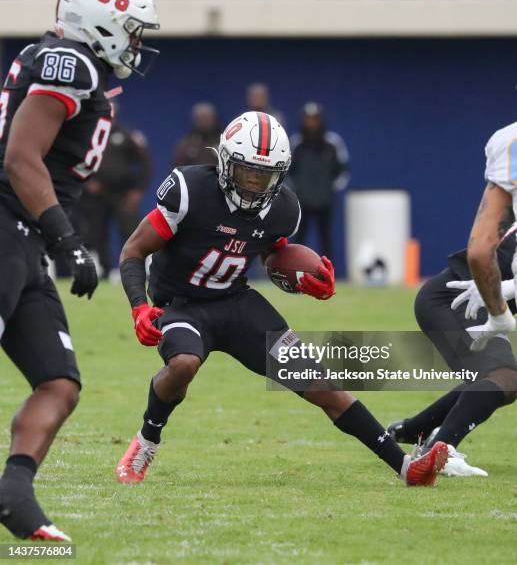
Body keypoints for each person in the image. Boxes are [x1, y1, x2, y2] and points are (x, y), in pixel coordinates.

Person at [115, 111, 448, 488]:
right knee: (184, 364)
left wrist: (303, 279)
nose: (256, 183)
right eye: (247, 172)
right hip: (182, 303)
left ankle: (406, 467)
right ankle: (146, 441)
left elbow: (271, 253)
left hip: (236, 303)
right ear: (226, 162)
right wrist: (139, 306)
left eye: (266, 174)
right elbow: (133, 250)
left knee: (322, 384)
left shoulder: (284, 208)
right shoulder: (189, 189)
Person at [0, 0, 159, 540]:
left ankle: (15, 496)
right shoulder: (71, 62)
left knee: (59, 382)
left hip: (24, 239)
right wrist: (70, 239)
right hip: (6, 226)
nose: (136, 43)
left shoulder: (72, 64)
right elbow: (21, 158)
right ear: (103, 23)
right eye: (131, 29)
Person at [388, 123, 517, 476]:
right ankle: (441, 448)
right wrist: (501, 296)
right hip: (457, 301)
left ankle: (410, 430)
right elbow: (481, 254)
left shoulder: (509, 142)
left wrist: (504, 294)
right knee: (504, 376)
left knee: (496, 379)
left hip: (479, 299)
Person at [75, 104, 152, 278]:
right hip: (97, 195)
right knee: (96, 233)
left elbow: (145, 163)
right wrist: (88, 182)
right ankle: (105, 271)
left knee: (131, 232)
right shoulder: (89, 136)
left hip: (122, 193)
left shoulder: (127, 135)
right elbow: (76, 160)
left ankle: (135, 270)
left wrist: (138, 190)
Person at [290, 102, 349, 262]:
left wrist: (329, 189)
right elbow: (288, 171)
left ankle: (327, 272)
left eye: (314, 119)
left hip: (325, 201)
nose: (311, 123)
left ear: (320, 120)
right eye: (308, 119)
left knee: (325, 237)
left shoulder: (333, 143)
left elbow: (343, 171)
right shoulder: (296, 144)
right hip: (301, 201)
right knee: (299, 237)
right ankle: (295, 268)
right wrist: (298, 190)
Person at [172, 102, 220, 167]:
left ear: (214, 119)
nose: (204, 122)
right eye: (202, 119)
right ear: (196, 120)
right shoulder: (186, 145)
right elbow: (176, 169)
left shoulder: (222, 142)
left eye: (207, 119)